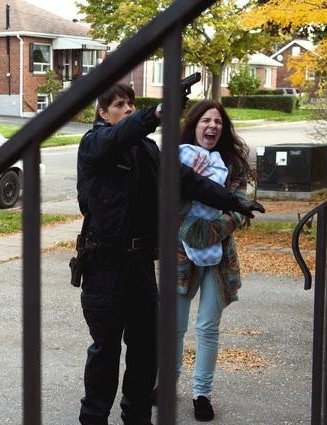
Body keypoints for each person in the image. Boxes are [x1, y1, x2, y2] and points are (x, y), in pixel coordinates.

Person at [76, 84, 264, 425]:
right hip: (105, 267)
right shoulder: (94, 145)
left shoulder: (147, 150)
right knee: (105, 351)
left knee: (146, 351)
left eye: (132, 104)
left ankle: (137, 418)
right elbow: (116, 138)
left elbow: (189, 181)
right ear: (104, 113)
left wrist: (235, 202)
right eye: (120, 105)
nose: (128, 109)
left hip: (141, 267)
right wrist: (157, 114)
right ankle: (93, 418)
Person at [174, 100, 253, 421]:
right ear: (194, 125)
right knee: (174, 328)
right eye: (205, 120)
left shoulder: (232, 165)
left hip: (220, 256)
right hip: (180, 256)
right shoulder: (178, 160)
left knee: (207, 327)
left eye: (218, 122)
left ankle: (201, 394)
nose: (212, 126)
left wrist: (210, 231)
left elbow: (240, 209)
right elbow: (166, 204)